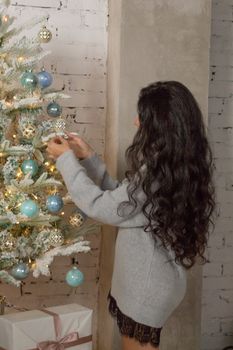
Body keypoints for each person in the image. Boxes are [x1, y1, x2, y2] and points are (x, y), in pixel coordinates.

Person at [46, 81, 215, 350]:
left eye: (143, 117)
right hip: (152, 280)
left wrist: (65, 159)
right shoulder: (169, 167)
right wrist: (88, 157)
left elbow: (103, 206)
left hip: (146, 286)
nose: (136, 122)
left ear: (160, 124)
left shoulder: (156, 174)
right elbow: (125, 205)